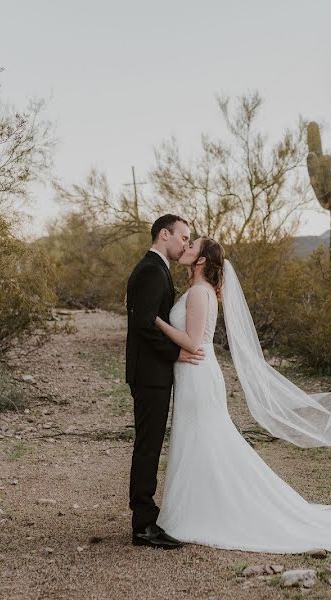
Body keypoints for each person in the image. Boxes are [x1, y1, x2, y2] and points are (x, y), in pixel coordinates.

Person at [152, 236, 331, 553]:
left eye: (192, 245)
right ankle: (197, 506)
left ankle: (201, 512)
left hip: (197, 375)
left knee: (202, 439)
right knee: (199, 441)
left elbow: (193, 343)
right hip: (196, 375)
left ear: (202, 260)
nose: (187, 246)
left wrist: (155, 321)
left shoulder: (198, 293)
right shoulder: (200, 291)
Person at [124, 214, 203, 549]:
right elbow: (144, 325)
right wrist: (176, 354)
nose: (185, 243)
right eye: (183, 237)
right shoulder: (151, 270)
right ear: (165, 234)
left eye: (188, 240)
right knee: (148, 446)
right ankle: (143, 525)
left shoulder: (155, 269)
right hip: (149, 374)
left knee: (151, 444)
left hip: (152, 373)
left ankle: (147, 517)